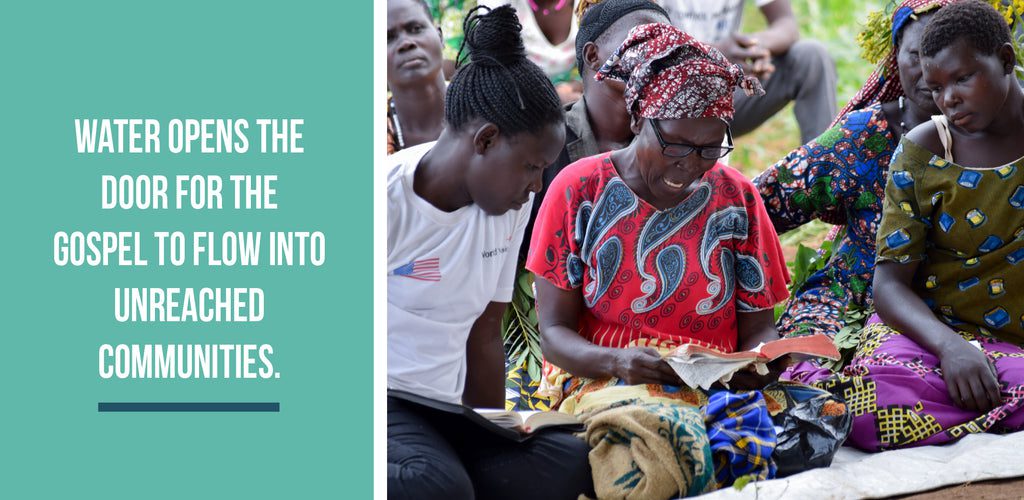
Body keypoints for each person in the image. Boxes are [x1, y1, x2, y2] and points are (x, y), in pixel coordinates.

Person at [528, 23, 790, 497]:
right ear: (638, 120)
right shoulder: (579, 191)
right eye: (675, 144)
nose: (691, 165)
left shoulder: (737, 201)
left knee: (820, 419)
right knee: (653, 434)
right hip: (606, 378)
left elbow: (758, 329)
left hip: (716, 384)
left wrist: (760, 361)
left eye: (711, 148)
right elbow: (554, 336)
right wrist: (618, 360)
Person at [387, 6, 592, 498]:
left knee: (572, 462)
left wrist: (491, 430)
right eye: (530, 167)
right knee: (432, 484)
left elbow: (484, 333)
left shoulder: (506, 204)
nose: (536, 185)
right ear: (484, 140)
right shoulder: (385, 201)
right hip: (380, 403)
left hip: (448, 412)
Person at [812, 0, 1024, 451]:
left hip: (1018, 344)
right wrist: (950, 349)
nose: (948, 99)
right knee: (873, 407)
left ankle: (992, 398)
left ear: (1006, 60)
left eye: (963, 78)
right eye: (937, 86)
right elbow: (888, 287)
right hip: (931, 335)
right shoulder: (924, 150)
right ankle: (999, 408)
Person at [754, 0, 954, 345]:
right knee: (806, 371)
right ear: (895, 57)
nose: (929, 72)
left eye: (945, 56)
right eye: (916, 56)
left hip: (959, 312)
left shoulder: (1001, 139)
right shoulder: (865, 136)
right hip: (848, 303)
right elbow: (757, 207)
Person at [504, 0, 672, 411]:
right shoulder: (547, 148)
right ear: (594, 55)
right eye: (639, 40)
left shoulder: (679, 151)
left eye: (666, 44)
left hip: (657, 352)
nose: (656, 54)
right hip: (547, 344)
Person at [655, 0, 836, 144]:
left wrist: (754, 47)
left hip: (725, 96)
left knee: (811, 57)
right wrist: (714, 54)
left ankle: (825, 177)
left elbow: (786, 22)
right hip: (663, 96)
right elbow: (642, 37)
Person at [478, 0, 582, 102]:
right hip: (520, 103)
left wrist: (579, 84)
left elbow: (597, 68)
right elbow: (491, 72)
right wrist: (552, 96)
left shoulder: (588, 4)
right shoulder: (496, 7)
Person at [387, 0, 447, 154]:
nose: (405, 43)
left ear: (440, 37)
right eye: (388, 38)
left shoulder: (494, 110)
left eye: (416, 29)